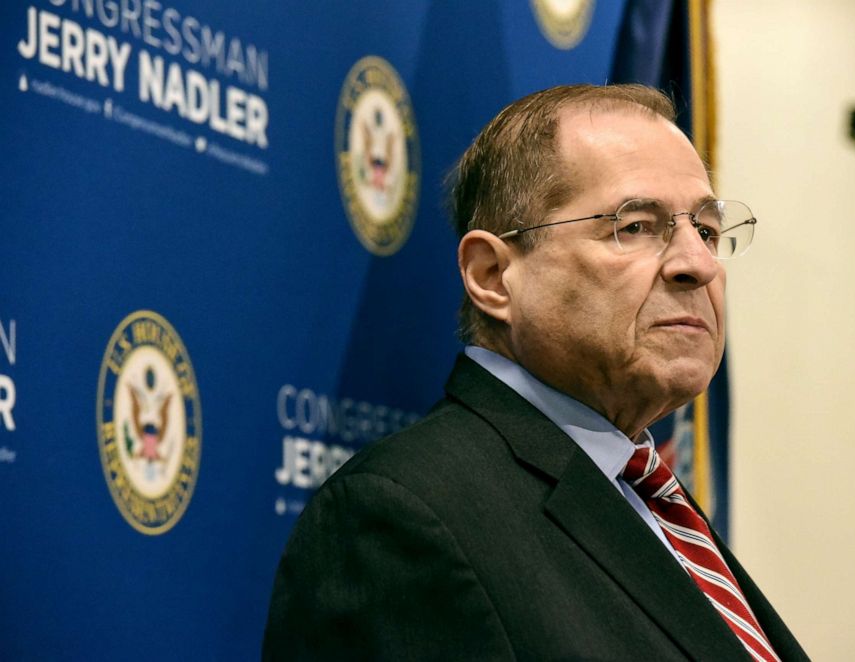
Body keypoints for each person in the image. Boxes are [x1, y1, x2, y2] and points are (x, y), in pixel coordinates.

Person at [263, 84, 808, 661]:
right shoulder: (400, 518)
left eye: (704, 229)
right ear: (493, 275)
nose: (697, 264)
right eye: (636, 225)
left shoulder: (655, 503)